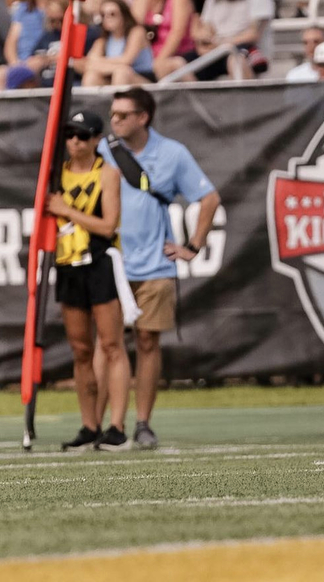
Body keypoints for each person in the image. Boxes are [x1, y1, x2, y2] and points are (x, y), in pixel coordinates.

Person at [96, 88, 221, 448]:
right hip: (111, 263)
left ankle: (142, 423)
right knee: (106, 344)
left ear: (143, 117)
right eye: (113, 114)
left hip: (155, 265)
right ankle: (99, 424)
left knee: (148, 343)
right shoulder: (103, 149)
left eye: (123, 115)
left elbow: (209, 198)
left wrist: (193, 246)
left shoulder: (172, 153)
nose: (115, 120)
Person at [48, 110, 132, 452]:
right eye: (70, 135)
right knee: (81, 350)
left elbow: (108, 226)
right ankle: (89, 425)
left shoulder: (107, 174)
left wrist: (66, 210)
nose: (75, 142)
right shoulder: (56, 174)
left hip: (99, 263)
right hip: (68, 263)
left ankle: (117, 427)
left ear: (96, 139)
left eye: (82, 136)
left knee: (111, 345)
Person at [188, 0, 274, 80]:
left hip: (244, 51)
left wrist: (220, 44)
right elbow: (207, 29)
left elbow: (253, 34)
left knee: (235, 61)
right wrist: (203, 42)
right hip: (215, 52)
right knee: (176, 64)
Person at [130, 0, 196, 80]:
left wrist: (160, 59)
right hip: (148, 58)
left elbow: (177, 32)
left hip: (177, 53)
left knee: (163, 66)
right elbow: (134, 26)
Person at [81, 0, 155, 86]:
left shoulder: (137, 32)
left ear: (124, 15)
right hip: (114, 76)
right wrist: (113, 66)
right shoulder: (102, 40)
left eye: (112, 14)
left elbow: (127, 60)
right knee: (91, 76)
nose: (107, 18)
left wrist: (100, 63)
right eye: (103, 15)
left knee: (121, 73)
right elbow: (89, 62)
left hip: (142, 77)